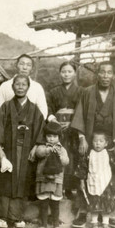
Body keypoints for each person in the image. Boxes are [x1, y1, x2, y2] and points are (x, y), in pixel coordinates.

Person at [70, 62, 115, 228]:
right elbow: (79, 115)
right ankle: (83, 212)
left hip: (112, 141)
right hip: (92, 140)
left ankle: (108, 213)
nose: (106, 76)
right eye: (102, 72)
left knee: (112, 177)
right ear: (97, 75)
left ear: (113, 75)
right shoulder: (87, 92)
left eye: (109, 73)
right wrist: (82, 138)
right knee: (87, 175)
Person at [0, 74, 45, 228]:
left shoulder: (34, 109)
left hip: (26, 152)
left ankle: (16, 216)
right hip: (7, 151)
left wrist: (35, 147)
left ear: (28, 87)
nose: (20, 87)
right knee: (5, 181)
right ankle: (1, 216)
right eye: (17, 84)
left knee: (22, 182)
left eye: (24, 84)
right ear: (12, 86)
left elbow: (40, 130)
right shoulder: (6, 106)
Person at [46, 61, 84, 200]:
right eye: (63, 72)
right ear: (60, 73)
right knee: (57, 155)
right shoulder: (53, 91)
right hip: (58, 129)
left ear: (74, 73)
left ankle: (69, 188)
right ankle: (58, 187)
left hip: (74, 129)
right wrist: (53, 120)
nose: (66, 74)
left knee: (72, 158)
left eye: (69, 71)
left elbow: (82, 110)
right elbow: (48, 107)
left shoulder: (81, 92)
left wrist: (73, 123)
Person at [34, 121, 69, 228]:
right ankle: (43, 224)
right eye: (49, 136)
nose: (52, 139)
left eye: (54, 136)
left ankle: (56, 224)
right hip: (44, 179)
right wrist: (47, 150)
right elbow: (38, 153)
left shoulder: (62, 149)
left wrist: (60, 156)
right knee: (43, 202)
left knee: (55, 203)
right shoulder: (42, 146)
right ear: (45, 136)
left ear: (59, 137)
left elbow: (66, 161)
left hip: (56, 179)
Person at [84, 131, 115, 228]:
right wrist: (81, 181)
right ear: (91, 142)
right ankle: (94, 222)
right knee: (94, 203)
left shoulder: (108, 154)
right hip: (93, 182)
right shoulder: (89, 155)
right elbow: (83, 168)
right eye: (95, 141)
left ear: (106, 143)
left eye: (101, 141)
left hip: (105, 183)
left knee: (106, 203)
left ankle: (105, 223)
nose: (98, 143)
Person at [0, 54, 48, 119]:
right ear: (16, 65)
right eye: (22, 64)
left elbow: (43, 111)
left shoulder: (37, 87)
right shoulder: (5, 86)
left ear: (32, 68)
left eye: (28, 65)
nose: (25, 67)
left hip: (31, 125)